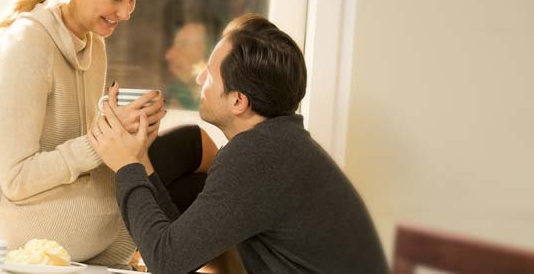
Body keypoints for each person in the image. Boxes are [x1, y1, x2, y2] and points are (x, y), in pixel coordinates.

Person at [88, 14, 389, 273]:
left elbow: (166, 262)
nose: (199, 79)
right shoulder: (278, 144)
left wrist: (126, 165)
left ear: (238, 101)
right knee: (191, 184)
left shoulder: (257, 157)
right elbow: (180, 248)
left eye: (210, 74)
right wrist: (138, 159)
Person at [0, 0, 165, 265]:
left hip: (59, 202)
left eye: (133, 0)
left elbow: (78, 153)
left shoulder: (93, 43)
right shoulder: (26, 46)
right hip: (10, 222)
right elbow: (17, 180)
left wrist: (130, 136)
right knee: (158, 178)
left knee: (166, 164)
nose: (125, 13)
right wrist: (101, 142)